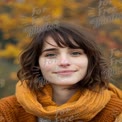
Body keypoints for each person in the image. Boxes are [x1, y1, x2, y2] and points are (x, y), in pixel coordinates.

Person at [0, 22, 122, 122]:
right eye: (51, 55)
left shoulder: (115, 112)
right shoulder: (6, 111)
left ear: (90, 60)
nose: (64, 62)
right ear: (37, 63)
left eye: (75, 53)